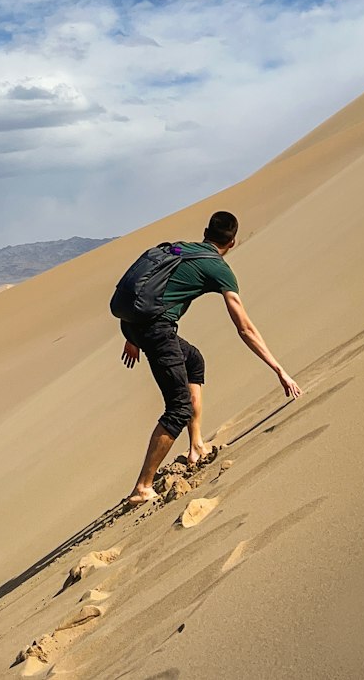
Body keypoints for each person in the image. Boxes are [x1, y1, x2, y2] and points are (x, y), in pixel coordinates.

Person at [119, 210, 301, 506]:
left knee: (193, 360)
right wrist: (279, 370)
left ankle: (196, 446)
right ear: (232, 242)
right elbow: (245, 328)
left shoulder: (180, 250)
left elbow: (148, 289)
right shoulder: (218, 268)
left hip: (135, 326)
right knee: (178, 408)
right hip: (155, 330)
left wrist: (132, 335)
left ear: (205, 232)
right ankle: (142, 486)